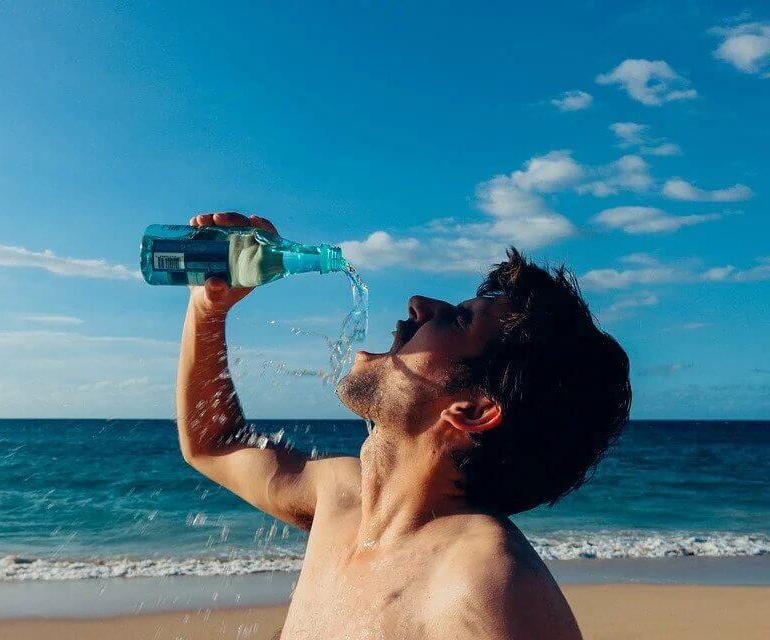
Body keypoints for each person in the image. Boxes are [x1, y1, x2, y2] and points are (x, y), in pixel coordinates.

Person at [177, 212, 631, 639]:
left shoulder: (485, 583)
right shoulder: (341, 496)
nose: (418, 305)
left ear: (473, 411)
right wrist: (208, 309)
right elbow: (212, 443)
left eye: (457, 319)